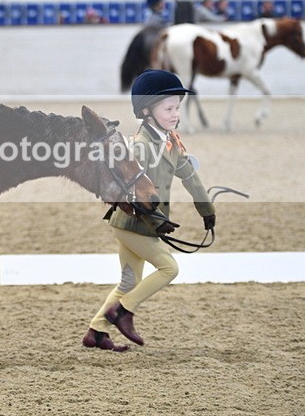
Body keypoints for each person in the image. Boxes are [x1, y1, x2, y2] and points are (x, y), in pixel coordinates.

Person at [83, 69, 216, 352]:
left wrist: (206, 209)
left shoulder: (171, 142)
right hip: (132, 222)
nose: (175, 114)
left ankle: (95, 332)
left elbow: (190, 176)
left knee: (130, 280)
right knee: (169, 267)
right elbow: (130, 193)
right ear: (146, 111)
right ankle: (122, 312)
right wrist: (156, 221)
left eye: (177, 108)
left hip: (143, 224)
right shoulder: (141, 147)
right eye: (168, 108)